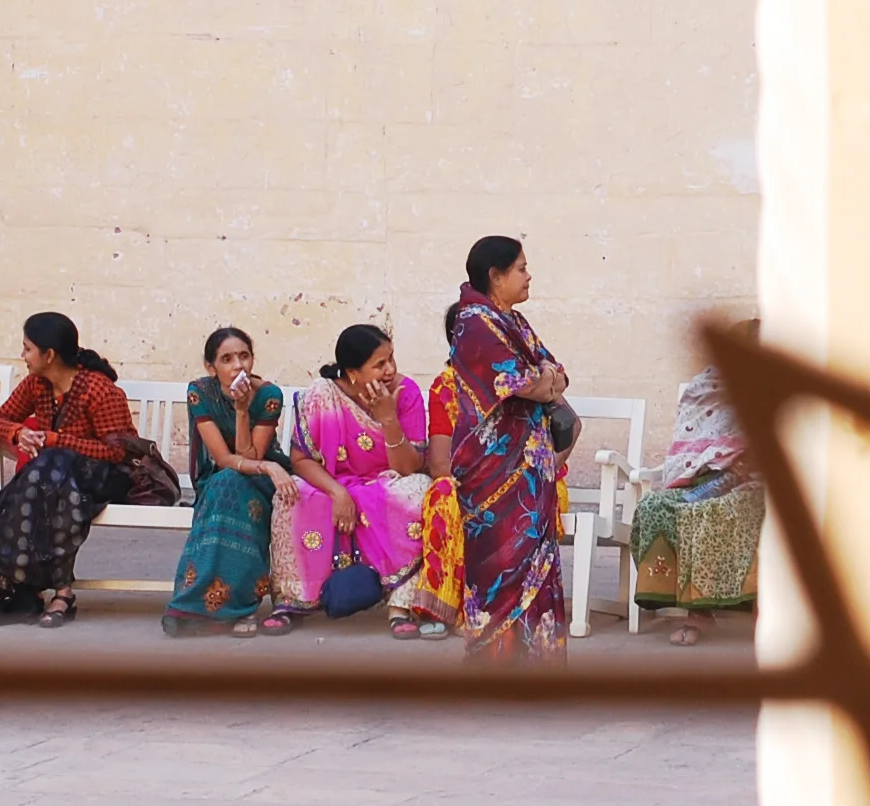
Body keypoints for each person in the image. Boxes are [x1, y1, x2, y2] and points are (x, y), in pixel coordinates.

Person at [0, 312, 134, 627]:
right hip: (59, 483)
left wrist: (57, 440)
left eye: (27, 349)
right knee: (59, 487)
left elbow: (117, 452)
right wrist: (20, 433)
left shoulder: (99, 390)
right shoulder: (37, 384)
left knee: (53, 462)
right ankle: (55, 593)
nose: (23, 356)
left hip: (108, 476)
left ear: (49, 355)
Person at [277, 323, 458, 639]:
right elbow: (301, 460)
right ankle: (294, 600)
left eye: (391, 359)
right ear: (352, 373)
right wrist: (337, 493)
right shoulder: (323, 394)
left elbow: (411, 467)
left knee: (417, 492)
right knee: (290, 496)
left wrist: (388, 418)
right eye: (379, 364)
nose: (390, 370)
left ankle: (400, 607)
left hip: (384, 482)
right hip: (333, 482)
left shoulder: (406, 393)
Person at [445, 236, 571, 663]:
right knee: (498, 566)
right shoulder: (474, 323)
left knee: (536, 563)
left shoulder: (513, 321)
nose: (528, 274)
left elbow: (555, 375)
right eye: (521, 268)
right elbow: (524, 383)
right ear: (496, 276)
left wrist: (543, 380)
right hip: (493, 469)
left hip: (530, 468)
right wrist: (543, 380)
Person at [630, 326, 764, 646]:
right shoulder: (707, 386)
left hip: (754, 481)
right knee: (655, 506)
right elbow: (690, 448)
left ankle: (752, 611)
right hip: (701, 475)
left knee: (718, 510)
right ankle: (697, 612)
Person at [160, 327, 288, 637]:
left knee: (232, 487)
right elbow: (222, 458)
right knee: (226, 483)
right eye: (227, 359)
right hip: (220, 476)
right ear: (210, 367)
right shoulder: (199, 393)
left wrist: (242, 410)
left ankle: (242, 606)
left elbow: (250, 453)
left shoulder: (269, 396)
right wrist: (269, 466)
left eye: (244, 356)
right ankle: (193, 602)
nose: (238, 366)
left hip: (259, 481)